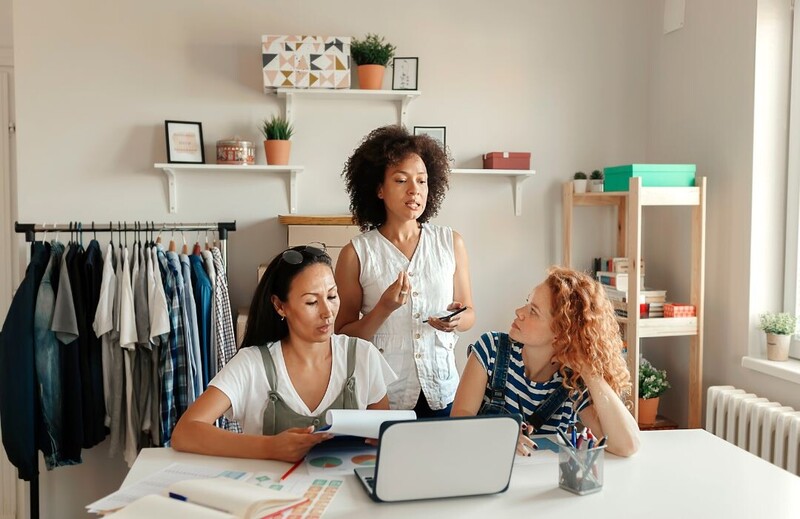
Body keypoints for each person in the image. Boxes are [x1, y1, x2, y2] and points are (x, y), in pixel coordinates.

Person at [171, 245, 397, 462]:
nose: (327, 312)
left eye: (331, 296)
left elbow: (384, 438)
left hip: (345, 497)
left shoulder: (363, 356)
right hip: (268, 497)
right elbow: (185, 432)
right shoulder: (251, 364)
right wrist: (269, 447)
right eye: (311, 302)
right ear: (280, 306)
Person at [334, 125, 475, 418]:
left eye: (422, 181)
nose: (415, 190)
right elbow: (342, 337)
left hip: (443, 391)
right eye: (401, 180)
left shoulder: (451, 242)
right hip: (384, 395)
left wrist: (457, 319)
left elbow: (470, 314)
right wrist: (383, 309)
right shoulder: (355, 254)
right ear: (379, 189)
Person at [451, 266, 640, 457]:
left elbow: (626, 446)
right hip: (484, 468)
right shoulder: (491, 349)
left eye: (533, 311)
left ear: (561, 333)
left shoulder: (572, 379)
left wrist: (590, 373)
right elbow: (459, 420)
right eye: (527, 303)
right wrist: (498, 435)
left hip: (541, 481)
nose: (519, 311)